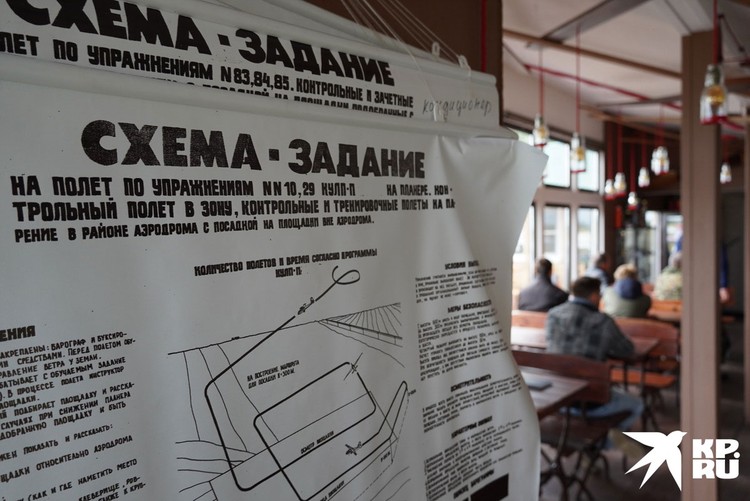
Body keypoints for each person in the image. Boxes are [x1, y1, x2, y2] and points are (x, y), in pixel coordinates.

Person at [546, 276, 643, 433]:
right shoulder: (602, 321)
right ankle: (605, 442)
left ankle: (598, 441)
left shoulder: (553, 314)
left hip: (558, 396)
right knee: (638, 403)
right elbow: (627, 350)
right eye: (599, 294)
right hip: (591, 402)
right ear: (593, 296)